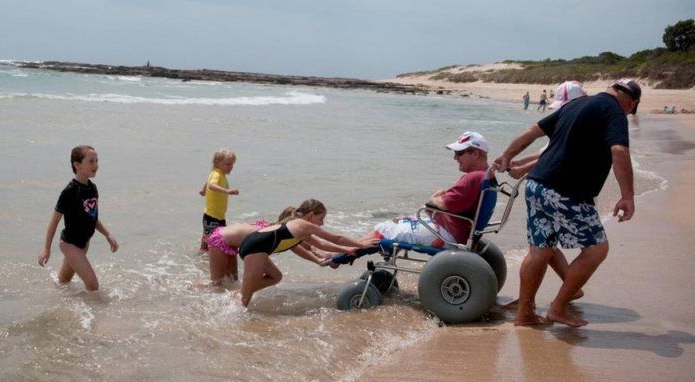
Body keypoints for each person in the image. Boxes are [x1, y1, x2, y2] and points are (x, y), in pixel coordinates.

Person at [494, 78, 641, 327]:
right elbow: (619, 151)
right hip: (566, 192)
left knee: (540, 251)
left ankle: (525, 313)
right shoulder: (615, 111)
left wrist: (508, 155)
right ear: (631, 103)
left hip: (537, 185)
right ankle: (558, 308)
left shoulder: (577, 104)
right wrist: (627, 196)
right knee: (597, 249)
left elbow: (533, 132)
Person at [358, 131, 492, 248]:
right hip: (455, 230)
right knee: (398, 220)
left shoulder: (473, 178)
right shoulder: (486, 176)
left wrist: (436, 197)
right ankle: (346, 249)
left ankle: (340, 255)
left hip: (448, 234)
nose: (455, 158)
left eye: (459, 153)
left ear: (475, 154)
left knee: (385, 229)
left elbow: (437, 204)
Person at [236, 199, 376, 307]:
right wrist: (361, 245)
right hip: (255, 248)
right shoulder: (302, 224)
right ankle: (238, 318)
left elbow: (321, 244)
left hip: (255, 247)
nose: (322, 223)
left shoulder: (300, 228)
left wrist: (346, 250)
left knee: (275, 276)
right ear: (310, 215)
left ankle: (235, 296)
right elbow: (335, 238)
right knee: (245, 298)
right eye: (321, 218)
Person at [38, 145, 119, 291]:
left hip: (84, 243)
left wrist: (108, 235)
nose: (96, 165)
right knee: (93, 284)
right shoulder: (70, 191)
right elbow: (54, 220)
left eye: (96, 160)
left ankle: (54, 302)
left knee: (63, 282)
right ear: (77, 165)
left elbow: (92, 218)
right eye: (91, 161)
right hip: (70, 244)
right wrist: (46, 249)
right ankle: (92, 313)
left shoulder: (92, 188)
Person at [199, 148, 239, 252]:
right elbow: (212, 185)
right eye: (228, 164)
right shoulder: (217, 174)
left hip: (218, 216)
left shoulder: (217, 174)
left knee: (216, 241)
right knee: (210, 242)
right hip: (212, 216)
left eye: (232, 164)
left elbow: (208, 182)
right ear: (217, 163)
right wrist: (227, 191)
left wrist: (203, 191)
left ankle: (204, 260)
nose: (231, 167)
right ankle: (203, 260)